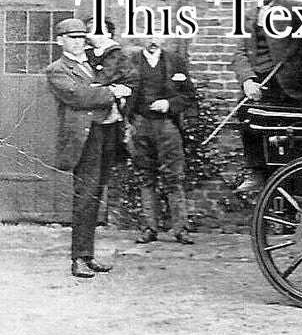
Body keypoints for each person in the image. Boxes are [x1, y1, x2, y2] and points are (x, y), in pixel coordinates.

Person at [46, 18, 133, 277]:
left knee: (95, 196)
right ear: (59, 41)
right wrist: (112, 92)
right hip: (85, 139)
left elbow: (119, 75)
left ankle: (88, 254)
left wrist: (103, 87)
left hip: (105, 133)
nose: (78, 42)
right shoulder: (57, 69)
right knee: (85, 196)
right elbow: (79, 96)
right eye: (71, 38)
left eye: (82, 37)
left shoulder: (94, 64)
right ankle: (78, 259)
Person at [229, 0, 302, 193]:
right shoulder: (246, 15)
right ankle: (256, 172)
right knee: (247, 117)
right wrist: (247, 80)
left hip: (284, 83)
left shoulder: (291, 10)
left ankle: (293, 182)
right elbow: (239, 52)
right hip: (258, 81)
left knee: (287, 134)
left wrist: (292, 59)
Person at [129, 35, 197, 246]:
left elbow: (188, 96)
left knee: (173, 177)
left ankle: (181, 230)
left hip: (167, 126)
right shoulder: (130, 61)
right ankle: (149, 228)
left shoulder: (175, 62)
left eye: (157, 35)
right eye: (148, 36)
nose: (152, 40)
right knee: (145, 176)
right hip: (140, 124)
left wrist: (168, 104)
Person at [84, 16, 139, 219]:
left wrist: (117, 90)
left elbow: (131, 82)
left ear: (109, 33)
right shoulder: (85, 55)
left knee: (104, 162)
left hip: (109, 116)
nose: (97, 35)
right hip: (87, 115)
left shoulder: (118, 55)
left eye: (101, 30)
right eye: (92, 30)